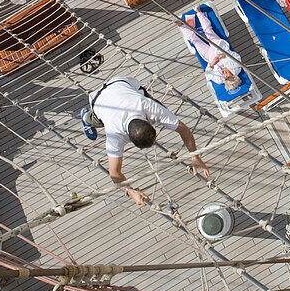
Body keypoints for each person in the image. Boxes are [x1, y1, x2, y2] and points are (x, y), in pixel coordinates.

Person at [80, 76, 209, 205]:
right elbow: (114, 173)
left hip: (121, 83)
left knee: (159, 109)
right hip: (98, 100)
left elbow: (183, 129)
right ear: (127, 138)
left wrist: (195, 155)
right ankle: (85, 117)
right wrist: (131, 191)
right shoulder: (114, 135)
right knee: (94, 119)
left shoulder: (147, 105)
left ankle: (166, 118)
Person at [177, 11, 244, 93]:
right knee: (208, 31)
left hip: (209, 56)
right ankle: (199, 12)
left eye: (225, 79)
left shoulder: (219, 80)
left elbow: (208, 74)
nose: (225, 75)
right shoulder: (236, 67)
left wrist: (212, 64)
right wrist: (225, 56)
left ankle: (181, 25)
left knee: (194, 40)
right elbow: (236, 56)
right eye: (228, 77)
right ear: (234, 76)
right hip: (219, 48)